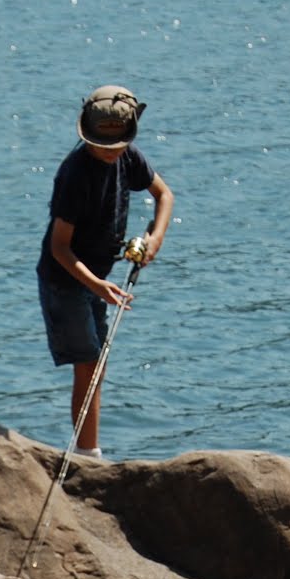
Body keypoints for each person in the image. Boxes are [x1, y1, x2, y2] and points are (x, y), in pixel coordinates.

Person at [37, 84, 174, 459]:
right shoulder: (75, 175)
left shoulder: (128, 157)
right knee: (88, 363)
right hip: (66, 279)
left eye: (117, 145)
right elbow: (59, 247)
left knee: (97, 363)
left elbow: (164, 195)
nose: (110, 152)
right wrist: (97, 285)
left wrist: (154, 239)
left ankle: (89, 449)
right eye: (101, 145)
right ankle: (87, 454)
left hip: (96, 277)